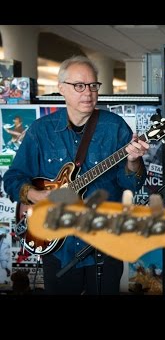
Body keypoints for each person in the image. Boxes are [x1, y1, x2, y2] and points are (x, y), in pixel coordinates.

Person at [3, 55, 149, 295]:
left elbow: (131, 185)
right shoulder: (41, 131)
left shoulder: (115, 127)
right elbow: (13, 179)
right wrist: (37, 196)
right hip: (58, 246)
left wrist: (133, 162)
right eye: (79, 86)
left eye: (93, 85)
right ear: (61, 88)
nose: (88, 93)